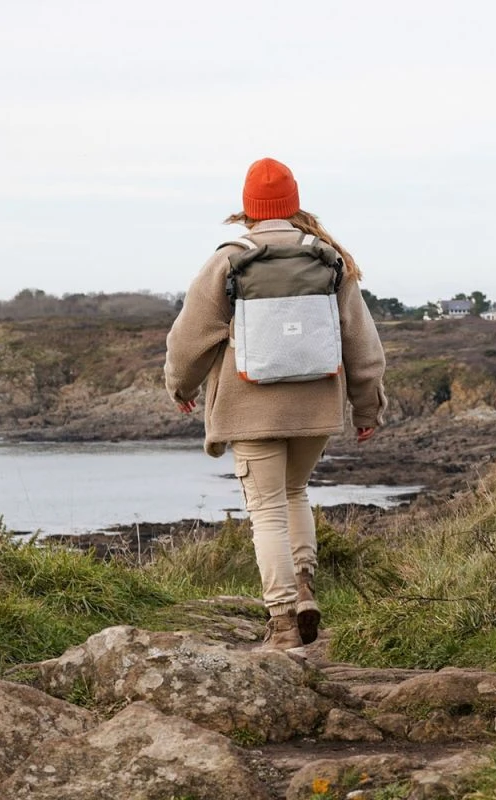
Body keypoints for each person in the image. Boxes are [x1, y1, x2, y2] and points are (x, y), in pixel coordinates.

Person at [164, 157, 387, 650]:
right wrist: (367, 408)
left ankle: (284, 619)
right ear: (293, 203)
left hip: (251, 408)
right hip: (314, 407)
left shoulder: (230, 259)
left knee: (264, 507)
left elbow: (188, 340)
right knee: (294, 493)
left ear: (248, 208)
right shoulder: (328, 259)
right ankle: (305, 587)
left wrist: (181, 387)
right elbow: (362, 343)